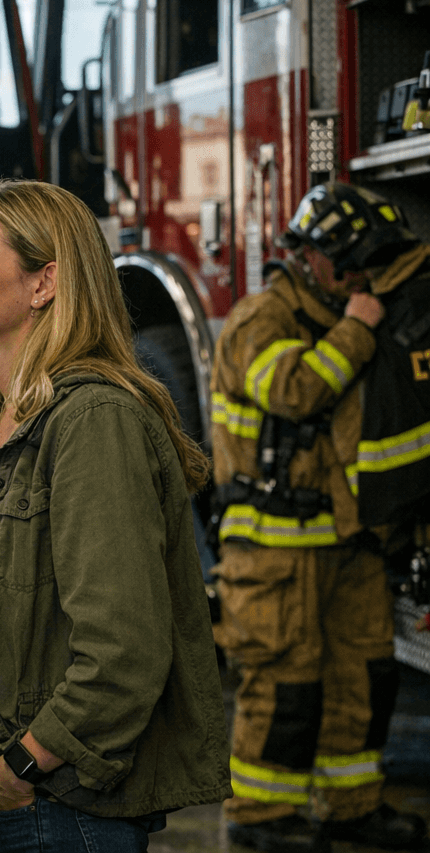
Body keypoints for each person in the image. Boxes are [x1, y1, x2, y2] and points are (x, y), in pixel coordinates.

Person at [0, 178, 228, 853]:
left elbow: (124, 650)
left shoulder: (93, 419)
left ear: (44, 282)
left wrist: (22, 766)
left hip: (56, 812)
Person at [211, 181, 428, 853]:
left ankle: (350, 806)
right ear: (315, 256)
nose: (362, 277)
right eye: (353, 263)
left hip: (350, 539)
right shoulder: (263, 319)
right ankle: (260, 820)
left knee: (362, 677)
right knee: (285, 685)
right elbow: (297, 392)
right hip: (275, 549)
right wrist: (360, 327)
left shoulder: (344, 313)